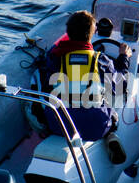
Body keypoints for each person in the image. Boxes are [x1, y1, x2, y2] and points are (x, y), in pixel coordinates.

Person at [41, 10, 129, 164]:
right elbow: (120, 86)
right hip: (95, 127)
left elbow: (45, 79)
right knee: (112, 105)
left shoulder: (55, 58)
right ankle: (110, 136)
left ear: (68, 33)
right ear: (92, 33)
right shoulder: (100, 60)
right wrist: (124, 58)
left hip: (59, 126)